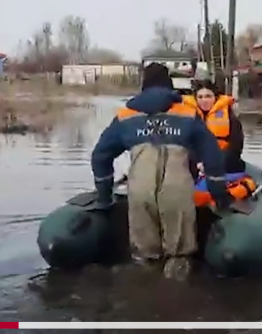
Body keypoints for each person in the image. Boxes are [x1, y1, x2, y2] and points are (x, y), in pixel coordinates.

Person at [90, 63, 231, 279]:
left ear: (143, 85)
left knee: (144, 260)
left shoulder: (125, 117)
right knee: (179, 259)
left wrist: (103, 195)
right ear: (170, 85)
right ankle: (175, 296)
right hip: (177, 193)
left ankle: (144, 294)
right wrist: (220, 197)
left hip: (139, 193)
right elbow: (213, 158)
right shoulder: (188, 115)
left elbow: (100, 156)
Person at [183, 79, 246, 175]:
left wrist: (216, 163)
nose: (204, 100)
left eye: (208, 96)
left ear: (215, 97)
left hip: (224, 162)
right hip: (196, 164)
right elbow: (186, 143)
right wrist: (198, 162)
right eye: (200, 97)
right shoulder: (189, 117)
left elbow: (236, 145)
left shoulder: (229, 117)